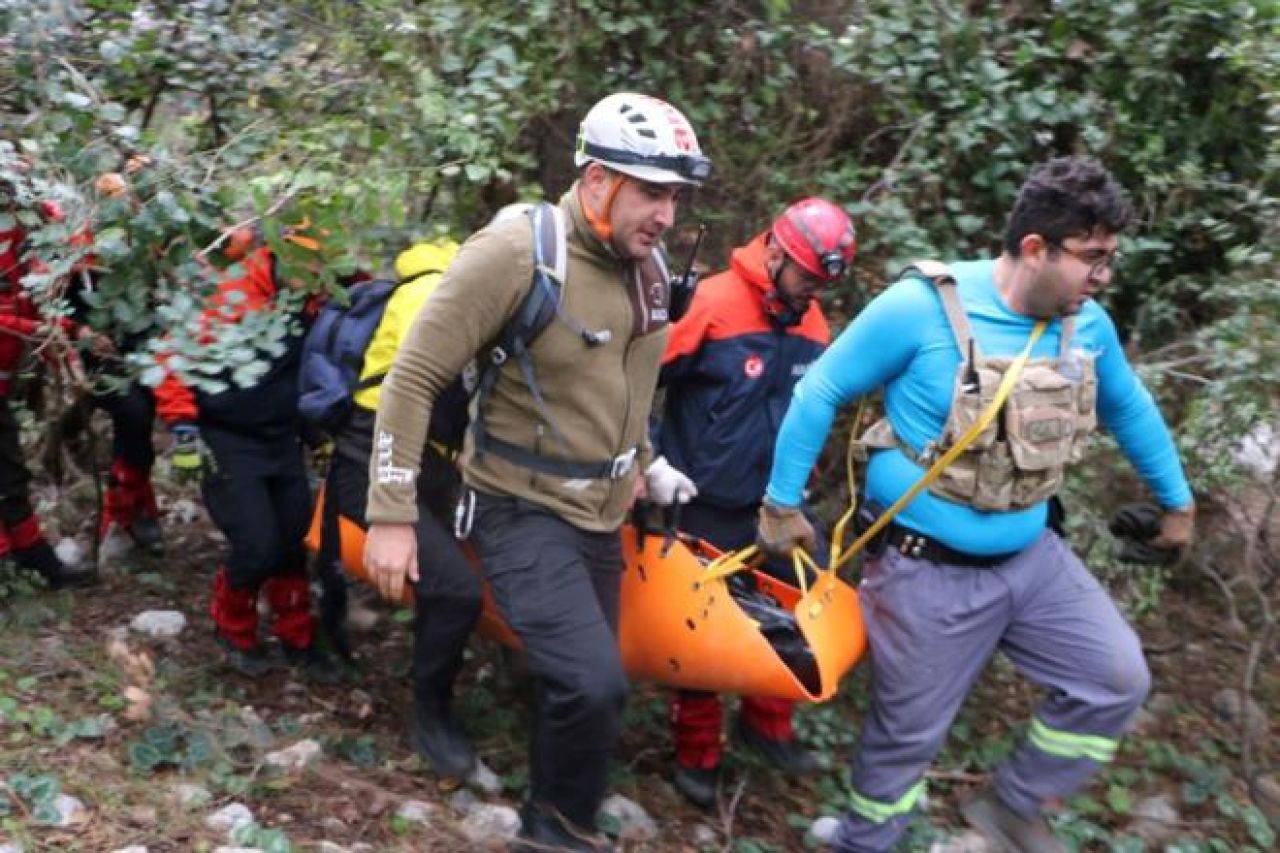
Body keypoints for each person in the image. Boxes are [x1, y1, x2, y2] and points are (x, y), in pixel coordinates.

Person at [756, 156, 1195, 852]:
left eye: (1109, 257)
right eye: (1091, 257)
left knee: (1115, 677)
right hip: (926, 571)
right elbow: (821, 390)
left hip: (1034, 558)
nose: (1104, 275)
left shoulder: (1088, 327)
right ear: (1034, 248)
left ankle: (1016, 806)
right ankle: (864, 839)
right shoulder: (921, 308)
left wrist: (1179, 506)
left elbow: (1130, 408)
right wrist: (781, 503)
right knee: (907, 736)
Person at [363, 92, 708, 850]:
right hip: (517, 505)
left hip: (599, 514)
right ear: (596, 182)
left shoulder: (647, 269)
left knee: (585, 687)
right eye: (652, 192)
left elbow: (622, 390)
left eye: (675, 197)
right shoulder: (518, 252)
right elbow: (412, 378)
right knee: (593, 683)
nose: (666, 216)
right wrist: (390, 512)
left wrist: (651, 465)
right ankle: (551, 836)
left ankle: (560, 822)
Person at [652, 197, 856, 807]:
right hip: (699, 494)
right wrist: (647, 462)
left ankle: (768, 721)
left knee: (795, 606)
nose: (809, 294)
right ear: (774, 253)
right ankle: (697, 754)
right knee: (702, 628)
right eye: (805, 279)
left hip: (775, 500)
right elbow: (643, 378)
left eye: (821, 285)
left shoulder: (812, 324)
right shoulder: (713, 303)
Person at [313, 237, 484, 779]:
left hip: (428, 459)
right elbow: (405, 395)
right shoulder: (437, 297)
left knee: (450, 576)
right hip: (374, 453)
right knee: (456, 588)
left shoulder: (460, 293)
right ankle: (431, 715)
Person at [154, 226, 341, 682]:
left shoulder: (315, 301)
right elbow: (173, 358)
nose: (313, 278)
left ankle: (297, 634)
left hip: (282, 436)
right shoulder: (231, 297)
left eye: (320, 270)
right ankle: (231, 625)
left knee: (294, 539)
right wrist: (182, 429)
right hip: (228, 438)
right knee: (257, 544)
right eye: (306, 269)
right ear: (280, 260)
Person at [0, 201, 99, 589]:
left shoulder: (24, 234)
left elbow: (37, 303)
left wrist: (73, 335)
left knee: (10, 474)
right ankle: (23, 562)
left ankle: (30, 558)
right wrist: (41, 331)